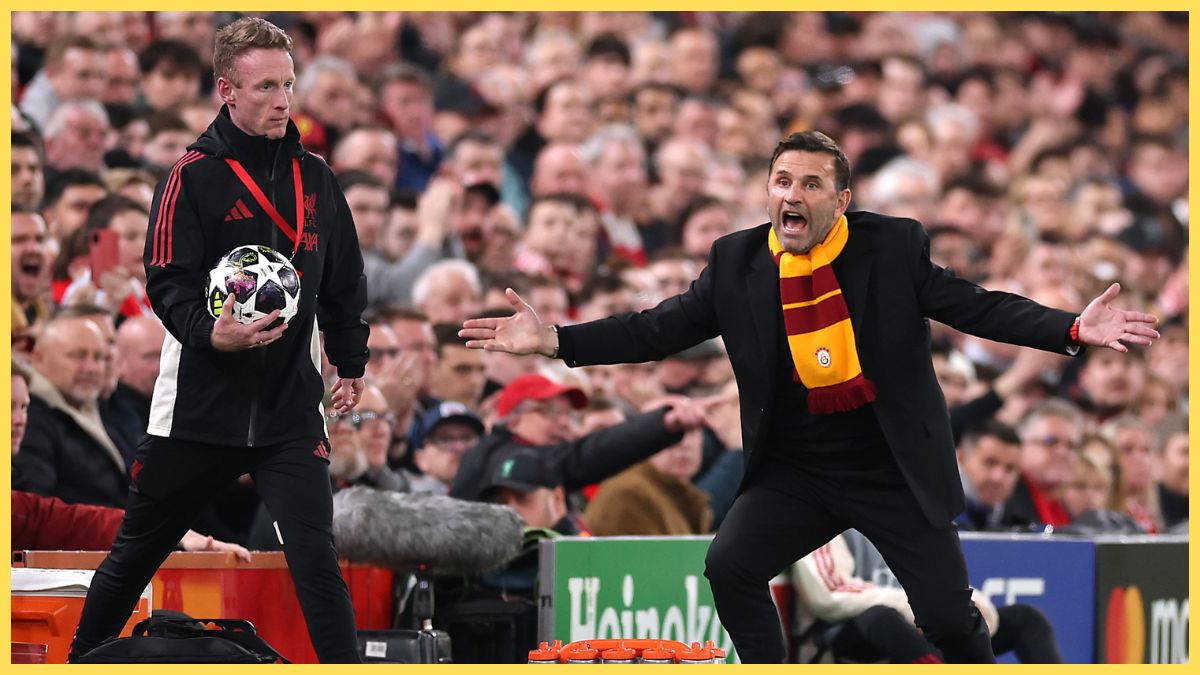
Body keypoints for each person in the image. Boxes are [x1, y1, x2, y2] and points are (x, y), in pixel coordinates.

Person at [460, 130, 1160, 663]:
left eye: (811, 184)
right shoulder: (736, 260)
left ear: (841, 200)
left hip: (891, 468)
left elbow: (977, 306)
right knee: (729, 565)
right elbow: (656, 329)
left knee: (949, 621)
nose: (792, 195)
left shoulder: (892, 248)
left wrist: (1070, 327)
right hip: (797, 471)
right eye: (781, 181)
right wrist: (556, 339)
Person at [68, 17, 369, 664]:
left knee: (316, 558)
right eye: (265, 87)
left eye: (288, 84)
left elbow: (344, 279)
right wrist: (212, 333)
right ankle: (80, 659)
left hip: (290, 409)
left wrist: (350, 359)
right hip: (197, 412)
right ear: (226, 90)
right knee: (138, 552)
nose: (283, 101)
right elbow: (166, 279)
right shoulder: (191, 176)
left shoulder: (317, 178)